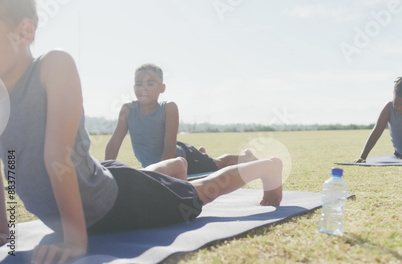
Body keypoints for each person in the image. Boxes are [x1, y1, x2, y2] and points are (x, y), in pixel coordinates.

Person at [0, 1, 283, 263]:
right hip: (98, 175)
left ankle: (267, 167)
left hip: (114, 200)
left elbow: (57, 155)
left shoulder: (53, 65)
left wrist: (75, 240)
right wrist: (3, 234)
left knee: (198, 193)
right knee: (145, 177)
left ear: (25, 30)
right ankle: (173, 166)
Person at [105, 63, 258, 175]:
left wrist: (160, 175)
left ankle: (245, 157)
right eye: (138, 84)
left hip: (182, 158)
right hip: (160, 166)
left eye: (150, 83)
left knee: (217, 166)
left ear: (162, 88)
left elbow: (169, 145)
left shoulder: (168, 108)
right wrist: (107, 169)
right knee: (209, 162)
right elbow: (114, 142)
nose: (143, 88)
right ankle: (201, 154)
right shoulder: (128, 110)